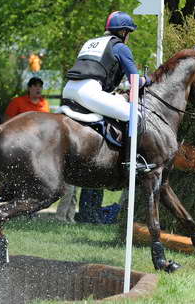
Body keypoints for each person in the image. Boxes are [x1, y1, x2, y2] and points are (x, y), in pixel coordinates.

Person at [63, 11, 150, 223]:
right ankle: (133, 162)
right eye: (128, 32)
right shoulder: (120, 46)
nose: (128, 36)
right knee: (135, 115)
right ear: (123, 32)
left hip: (69, 90)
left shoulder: (92, 42)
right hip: (89, 92)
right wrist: (146, 80)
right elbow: (134, 80)